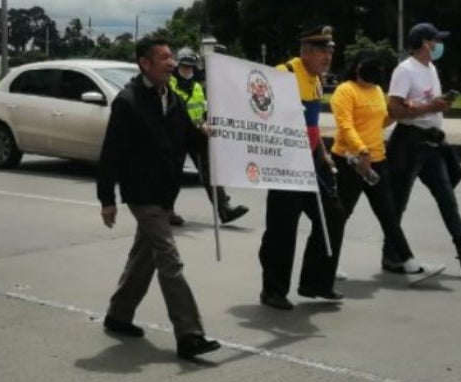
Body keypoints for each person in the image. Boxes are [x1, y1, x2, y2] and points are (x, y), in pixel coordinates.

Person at [97, 37, 221, 361]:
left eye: (171, 57)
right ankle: (190, 335)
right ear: (145, 64)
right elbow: (110, 153)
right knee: (169, 258)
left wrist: (204, 132)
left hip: (166, 192)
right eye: (164, 58)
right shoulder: (128, 102)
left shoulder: (172, 99)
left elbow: (187, 135)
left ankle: (119, 315)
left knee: (145, 257)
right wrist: (106, 199)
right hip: (143, 194)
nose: (171, 62)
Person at [386, 22, 461, 277]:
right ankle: (391, 254)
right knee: (398, 202)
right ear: (425, 43)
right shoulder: (405, 70)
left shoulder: (431, 68)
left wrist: (441, 104)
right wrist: (431, 108)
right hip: (409, 142)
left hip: (432, 144)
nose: (438, 45)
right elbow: (394, 109)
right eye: (435, 41)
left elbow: (427, 102)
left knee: (447, 198)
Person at [330, 50, 444, 285]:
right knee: (341, 214)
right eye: (370, 68)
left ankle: (411, 265)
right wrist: (361, 151)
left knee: (389, 215)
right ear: (357, 66)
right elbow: (346, 126)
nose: (375, 74)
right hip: (350, 160)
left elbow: (380, 121)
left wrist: (404, 111)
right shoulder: (345, 91)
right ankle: (328, 263)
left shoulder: (376, 91)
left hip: (377, 160)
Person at [259, 26, 346, 310]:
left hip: (309, 161)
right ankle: (273, 290)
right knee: (282, 228)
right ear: (305, 52)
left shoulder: (317, 80)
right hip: (285, 162)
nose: (328, 56)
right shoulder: (283, 74)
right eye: (322, 51)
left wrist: (322, 155)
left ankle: (315, 282)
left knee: (333, 216)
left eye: (330, 51)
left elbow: (312, 126)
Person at [169, 47, 248, 225]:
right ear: (178, 66)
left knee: (210, 173)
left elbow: (203, 110)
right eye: (184, 67)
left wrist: (206, 122)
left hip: (198, 136)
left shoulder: (198, 87)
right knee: (172, 174)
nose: (187, 70)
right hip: (177, 135)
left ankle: (224, 210)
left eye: (190, 67)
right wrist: (198, 124)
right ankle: (167, 211)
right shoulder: (169, 85)